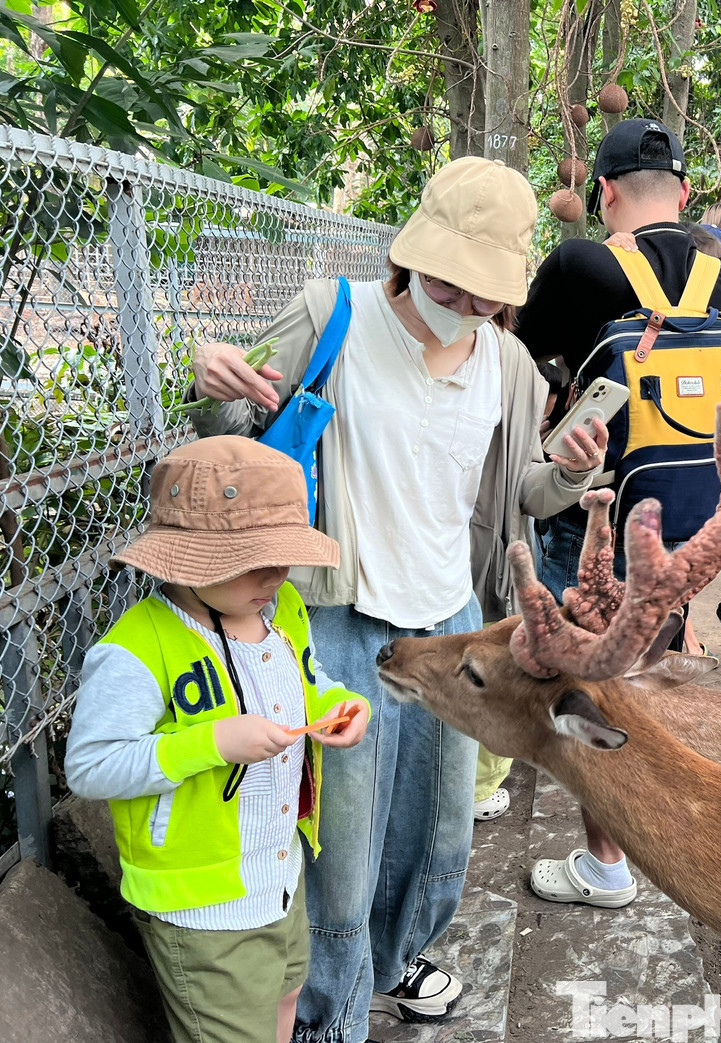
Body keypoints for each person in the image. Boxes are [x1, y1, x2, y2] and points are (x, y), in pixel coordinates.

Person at [187, 158, 604, 1042]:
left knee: (442, 827)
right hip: (338, 610)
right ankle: (332, 1013)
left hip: (451, 613)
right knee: (343, 837)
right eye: (451, 273)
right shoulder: (331, 313)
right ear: (412, 249)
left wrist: (572, 471)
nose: (465, 298)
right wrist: (213, 382)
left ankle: (400, 953)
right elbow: (230, 426)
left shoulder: (510, 361)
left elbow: (521, 489)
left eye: (486, 287)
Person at [515, 118, 721, 910]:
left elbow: (518, 351)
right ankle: (672, 825)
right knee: (652, 663)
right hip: (689, 515)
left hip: (594, 511)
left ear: (603, 192)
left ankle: (607, 860)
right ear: (684, 195)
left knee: (597, 679)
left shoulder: (579, 262)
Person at [65, 437, 371, 1043]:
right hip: (201, 905)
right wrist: (210, 743)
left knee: (285, 993)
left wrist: (338, 704)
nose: (279, 575)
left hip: (279, 871)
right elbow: (90, 768)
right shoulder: (136, 651)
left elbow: (308, 681)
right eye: (256, 559)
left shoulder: (281, 609)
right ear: (187, 560)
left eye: (286, 555)